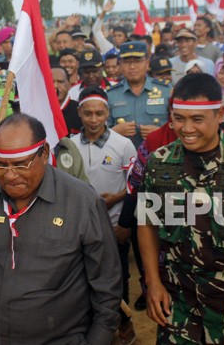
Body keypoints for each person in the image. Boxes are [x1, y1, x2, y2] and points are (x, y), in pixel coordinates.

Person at [137, 73, 224, 343]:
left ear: (221, 114)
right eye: (179, 118)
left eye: (197, 119)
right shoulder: (159, 164)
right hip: (179, 301)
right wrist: (152, 282)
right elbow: (147, 224)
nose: (186, 128)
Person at [0, 113, 122, 344]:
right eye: (1, 165)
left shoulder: (81, 202)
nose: (10, 175)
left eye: (21, 164)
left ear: (44, 153)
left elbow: (108, 286)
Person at [71, 87, 137, 344]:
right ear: (79, 113)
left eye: (100, 113)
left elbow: (133, 186)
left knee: (118, 277)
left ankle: (124, 322)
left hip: (113, 226)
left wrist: (122, 218)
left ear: (108, 113)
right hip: (80, 229)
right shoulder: (70, 146)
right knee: (86, 278)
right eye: (88, 114)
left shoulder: (123, 144)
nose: (94, 119)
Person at [107, 41, 172, 148]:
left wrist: (161, 132)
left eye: (137, 61)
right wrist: (114, 132)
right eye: (127, 61)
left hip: (159, 156)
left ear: (147, 64)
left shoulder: (166, 90)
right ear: (120, 65)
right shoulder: (111, 94)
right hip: (123, 159)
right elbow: (99, 132)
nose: (132, 66)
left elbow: (178, 127)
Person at [53, 65, 82, 135]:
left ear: (69, 84)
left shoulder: (80, 110)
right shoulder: (38, 111)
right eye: (51, 81)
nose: (55, 86)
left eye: (60, 82)